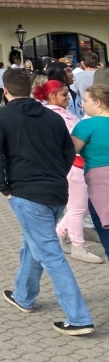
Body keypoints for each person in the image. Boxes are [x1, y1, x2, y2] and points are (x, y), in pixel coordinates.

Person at [0, 68, 94, 336]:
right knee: (33, 244)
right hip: (56, 191)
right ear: (33, 88)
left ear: (5, 90)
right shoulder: (52, 117)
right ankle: (24, 295)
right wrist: (57, 175)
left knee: (50, 253)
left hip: (27, 193)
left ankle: (79, 317)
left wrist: (4, 187)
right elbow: (68, 151)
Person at [33, 80, 102, 263]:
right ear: (51, 96)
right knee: (78, 207)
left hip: (78, 163)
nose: (67, 98)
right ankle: (78, 246)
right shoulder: (54, 115)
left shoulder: (62, 113)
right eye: (64, 95)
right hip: (73, 165)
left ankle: (60, 232)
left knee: (82, 206)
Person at [73, 85, 109, 257]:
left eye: (85, 100)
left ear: (98, 103)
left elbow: (69, 151)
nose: (82, 105)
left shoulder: (86, 125)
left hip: (101, 186)